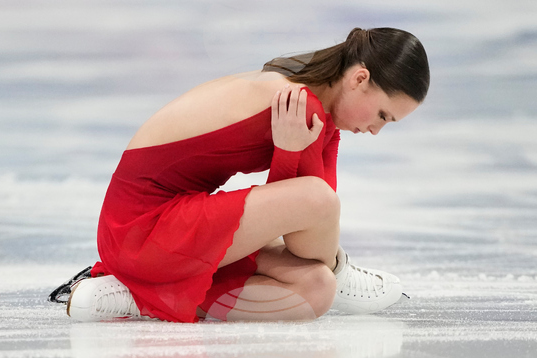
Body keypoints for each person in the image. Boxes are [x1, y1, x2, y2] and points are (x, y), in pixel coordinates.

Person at [49, 27, 429, 322]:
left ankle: (151, 294)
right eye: (382, 115)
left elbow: (311, 238)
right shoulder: (301, 104)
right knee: (317, 202)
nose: (378, 130)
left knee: (315, 288)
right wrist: (290, 153)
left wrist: (293, 154)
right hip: (140, 230)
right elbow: (309, 232)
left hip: (162, 230)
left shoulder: (319, 111)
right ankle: (139, 294)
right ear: (360, 79)